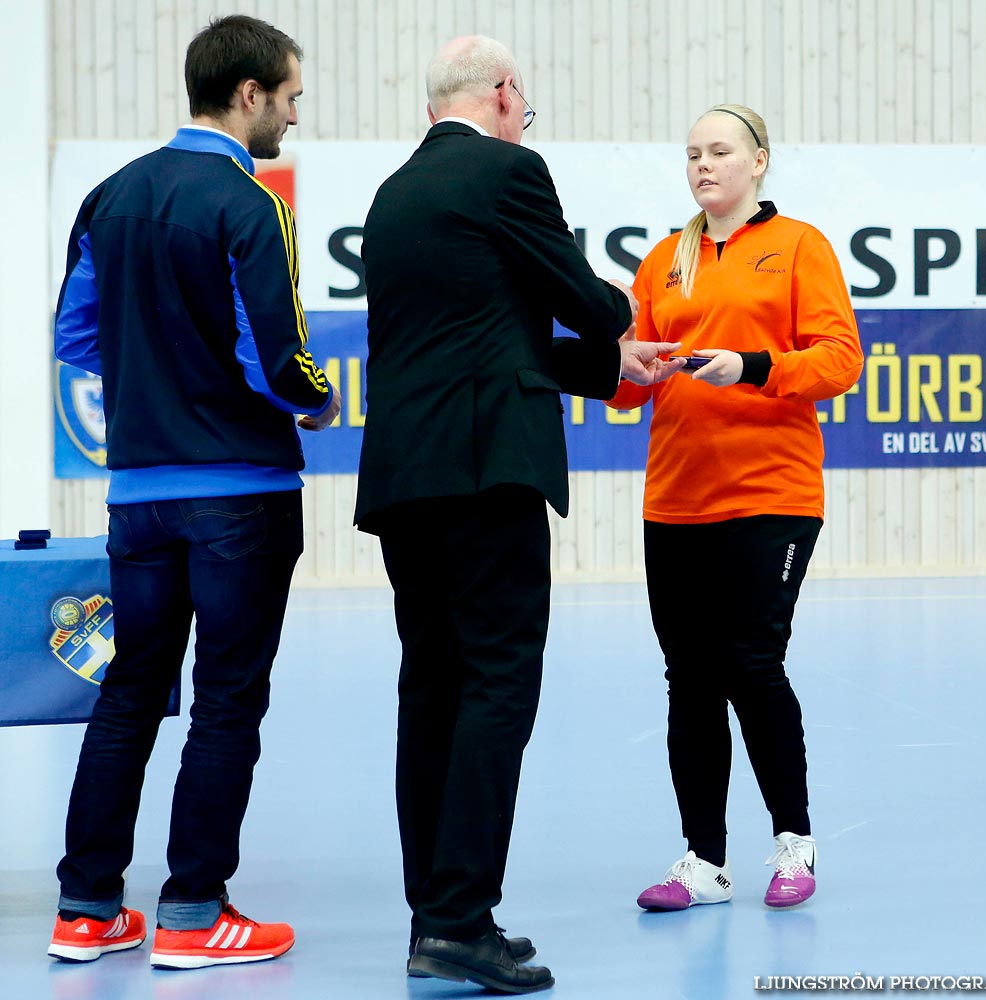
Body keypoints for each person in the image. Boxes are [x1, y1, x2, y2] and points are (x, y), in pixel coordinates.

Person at [355, 35, 683, 994]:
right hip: (484, 470)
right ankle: (461, 920)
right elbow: (572, 295)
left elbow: (486, 327)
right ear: (504, 95)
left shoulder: (393, 194)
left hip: (405, 476)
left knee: (433, 689)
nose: (522, 119)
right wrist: (620, 321)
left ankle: (436, 915)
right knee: (499, 684)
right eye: (523, 106)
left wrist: (604, 368)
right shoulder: (508, 169)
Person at [48, 14, 340, 970]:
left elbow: (77, 340)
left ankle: (86, 909)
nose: (293, 117)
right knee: (224, 699)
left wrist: (156, 389)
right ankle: (191, 915)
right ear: (249, 94)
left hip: (136, 495)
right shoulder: (249, 204)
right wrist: (318, 402)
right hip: (239, 497)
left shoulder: (110, 195)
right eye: (290, 98)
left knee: (130, 691)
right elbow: (275, 358)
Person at [607, 104, 863, 913]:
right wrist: (626, 365)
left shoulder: (799, 248)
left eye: (719, 152)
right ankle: (703, 861)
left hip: (770, 495)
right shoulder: (662, 261)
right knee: (688, 679)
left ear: (759, 162)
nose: (703, 165)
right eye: (692, 154)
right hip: (675, 499)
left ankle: (794, 843)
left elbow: (838, 359)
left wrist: (750, 366)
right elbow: (627, 388)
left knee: (751, 664)